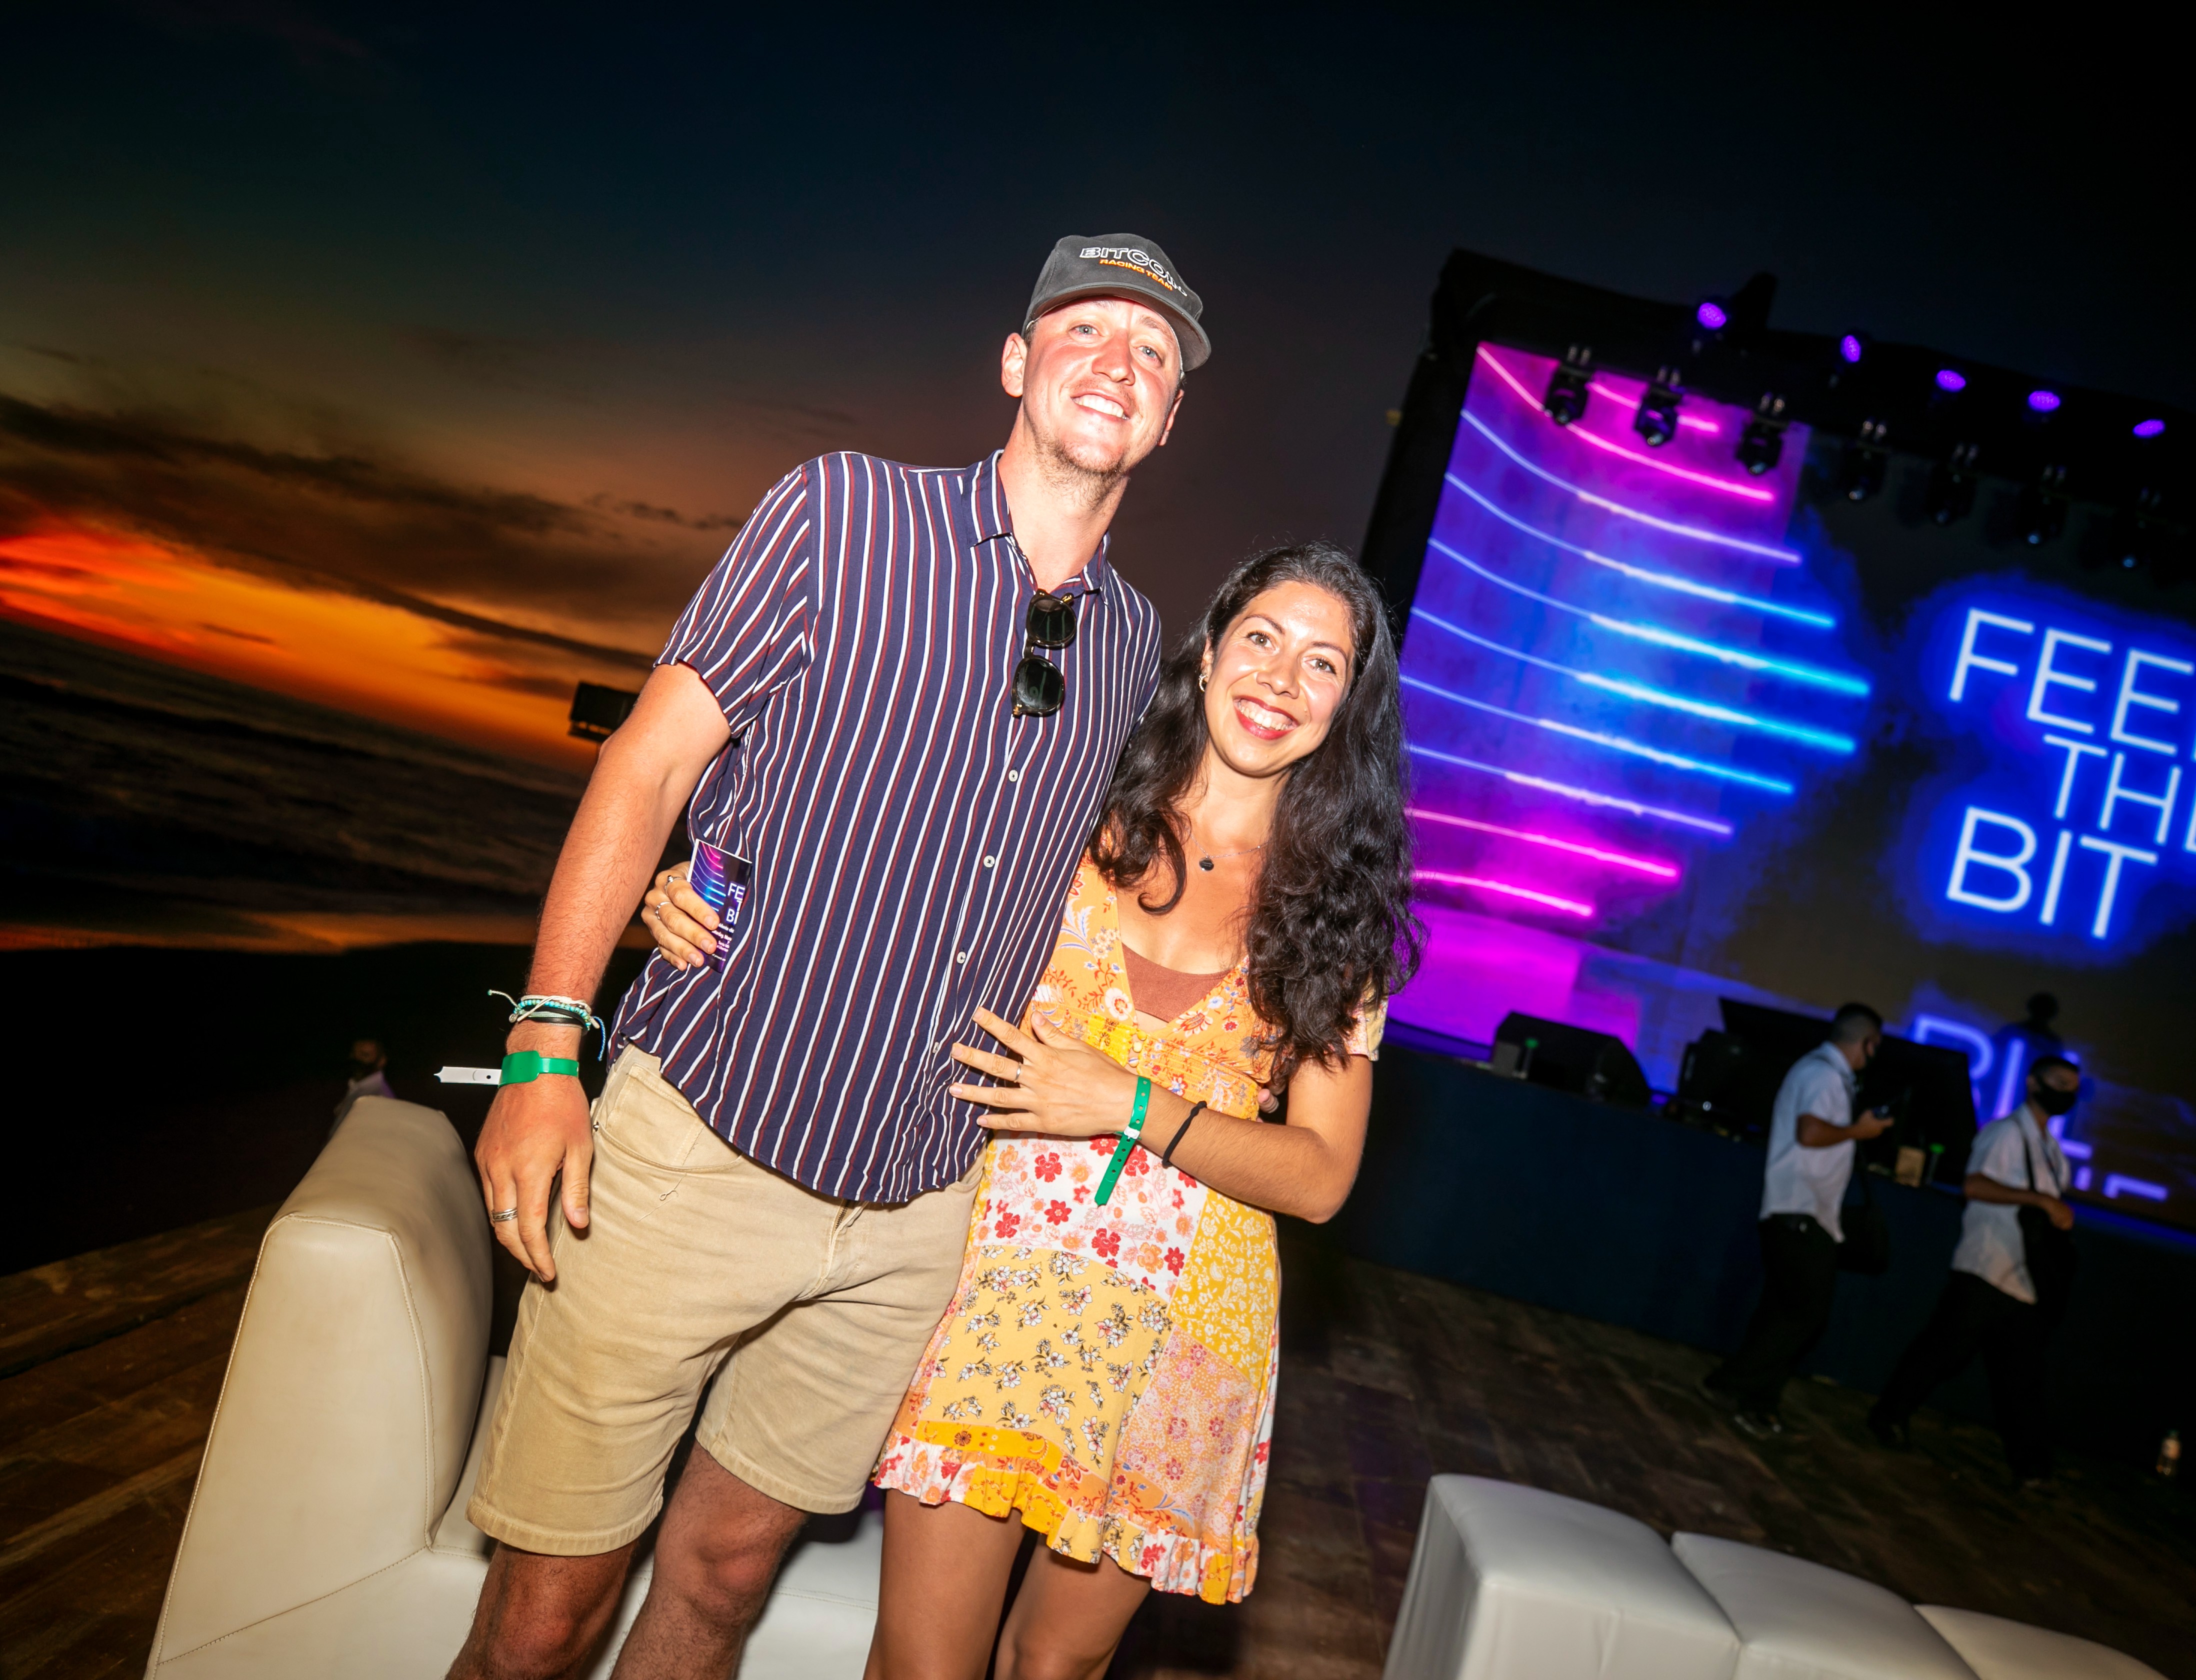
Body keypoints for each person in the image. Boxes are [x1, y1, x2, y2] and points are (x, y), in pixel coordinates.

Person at [448, 232, 1205, 1680]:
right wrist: (545, 1042)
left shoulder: (1133, 644)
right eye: (1086, 329)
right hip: (695, 1152)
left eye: (1154, 352)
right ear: (1017, 361)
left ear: (1170, 418)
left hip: (913, 1215)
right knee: (542, 1617)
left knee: (726, 1579)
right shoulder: (843, 512)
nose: (1118, 362)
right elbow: (651, 764)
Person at [642, 544, 1418, 1680]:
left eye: (1323, 664)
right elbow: (886, 896)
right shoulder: (1078, 813)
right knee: (924, 1664)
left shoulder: (1337, 916)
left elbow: (1321, 1176)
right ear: (1209, 654)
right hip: (994, 1285)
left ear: (1346, 710)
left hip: (1186, 1331)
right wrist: (707, 892)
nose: (1281, 678)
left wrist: (1127, 1101)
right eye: (1262, 638)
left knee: (1056, 1668)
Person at [1868, 1055, 2080, 1486]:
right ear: (2033, 1083)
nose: (2065, 1093)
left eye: (2073, 1088)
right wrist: (2039, 1201)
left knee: (2021, 1376)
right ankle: (1888, 1415)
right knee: (1943, 1352)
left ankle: (2032, 1467)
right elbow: (1974, 1185)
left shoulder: (2055, 1154)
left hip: (2024, 1279)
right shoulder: (2005, 1134)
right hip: (1986, 1266)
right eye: (2058, 1083)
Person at [1703, 1004, 1892, 1438]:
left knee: (1783, 1312)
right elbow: (1810, 1133)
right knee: (1804, 1314)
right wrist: (1859, 1131)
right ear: (1867, 1043)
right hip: (1801, 1211)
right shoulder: (1824, 1075)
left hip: (1801, 1212)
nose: (1874, 1055)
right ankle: (1730, 1385)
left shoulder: (1823, 1072)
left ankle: (1760, 1404)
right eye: (1875, 1047)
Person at [332, 1036, 394, 1132]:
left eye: (365, 1055)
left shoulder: (380, 1095)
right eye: (354, 1054)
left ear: (382, 1060)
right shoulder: (356, 1087)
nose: (357, 1060)